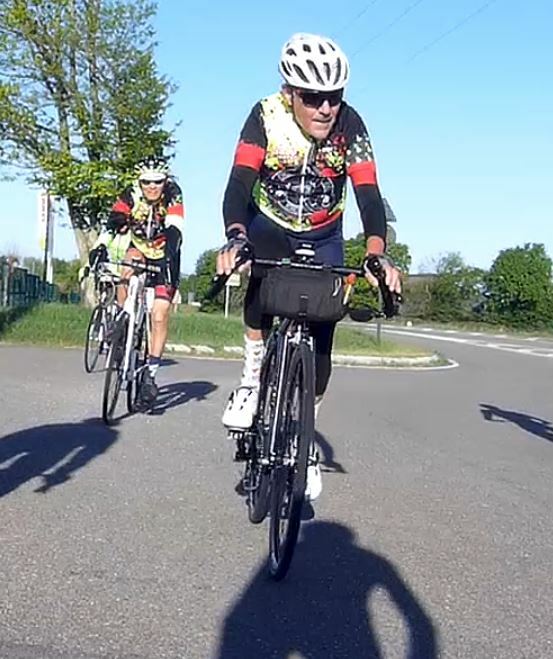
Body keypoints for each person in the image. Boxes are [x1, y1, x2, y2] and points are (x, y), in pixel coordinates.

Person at [217, 33, 402, 499]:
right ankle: (251, 380)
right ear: (289, 93)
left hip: (324, 233)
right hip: (270, 223)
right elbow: (238, 184)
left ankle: (303, 438)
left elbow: (368, 194)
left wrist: (376, 251)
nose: (325, 108)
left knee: (323, 333)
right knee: (259, 270)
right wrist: (236, 236)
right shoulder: (265, 116)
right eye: (312, 97)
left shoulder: (351, 125)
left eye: (333, 97)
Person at [89, 156, 184, 405]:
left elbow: (175, 230)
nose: (152, 187)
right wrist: (99, 246)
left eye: (157, 181)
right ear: (139, 182)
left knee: (159, 315)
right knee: (128, 268)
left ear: (165, 181)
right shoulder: (130, 194)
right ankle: (123, 323)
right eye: (146, 182)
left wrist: (169, 263)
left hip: (165, 254)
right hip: (139, 249)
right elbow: (112, 224)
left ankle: (150, 375)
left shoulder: (173, 195)